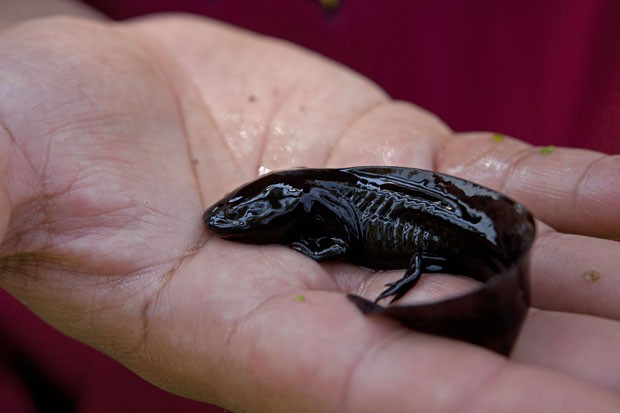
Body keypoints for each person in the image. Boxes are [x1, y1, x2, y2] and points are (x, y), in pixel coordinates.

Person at [1, 1, 619, 412]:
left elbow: (337, 227)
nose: (226, 225)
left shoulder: (319, 208)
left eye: (245, 220)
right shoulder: (301, 196)